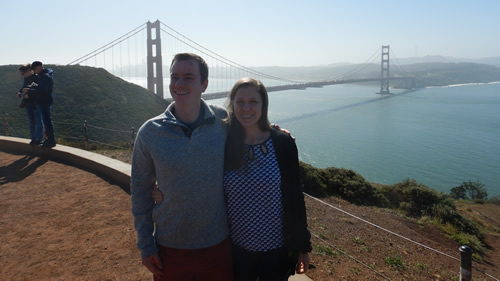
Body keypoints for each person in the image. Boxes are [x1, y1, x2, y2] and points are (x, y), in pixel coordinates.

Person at [130, 53, 233, 281]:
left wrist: (276, 134)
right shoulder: (149, 132)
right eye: (174, 77)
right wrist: (146, 247)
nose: (179, 84)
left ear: (204, 84)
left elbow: (252, 130)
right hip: (169, 247)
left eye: (188, 77)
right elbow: (139, 193)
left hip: (218, 245)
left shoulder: (223, 121)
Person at [223, 78, 311, 281]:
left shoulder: (282, 143)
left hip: (276, 252)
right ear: (232, 105)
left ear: (264, 105)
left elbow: (296, 198)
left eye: (253, 102)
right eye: (240, 102)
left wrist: (303, 247)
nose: (246, 108)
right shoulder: (225, 142)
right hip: (236, 251)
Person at [23, 61, 55, 148]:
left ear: (39, 67)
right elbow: (39, 88)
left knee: (47, 121)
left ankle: (51, 141)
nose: (33, 71)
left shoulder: (44, 76)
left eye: (34, 69)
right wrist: (30, 88)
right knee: (46, 120)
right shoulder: (44, 75)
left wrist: (29, 90)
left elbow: (42, 91)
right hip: (44, 101)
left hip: (44, 101)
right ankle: (49, 140)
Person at [17, 64, 43, 145]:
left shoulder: (36, 77)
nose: (22, 75)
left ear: (27, 71)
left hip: (36, 102)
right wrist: (19, 92)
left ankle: (39, 139)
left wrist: (29, 94)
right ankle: (33, 139)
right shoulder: (26, 78)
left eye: (22, 73)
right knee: (32, 121)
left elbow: (38, 90)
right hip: (28, 102)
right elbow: (24, 87)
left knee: (38, 121)